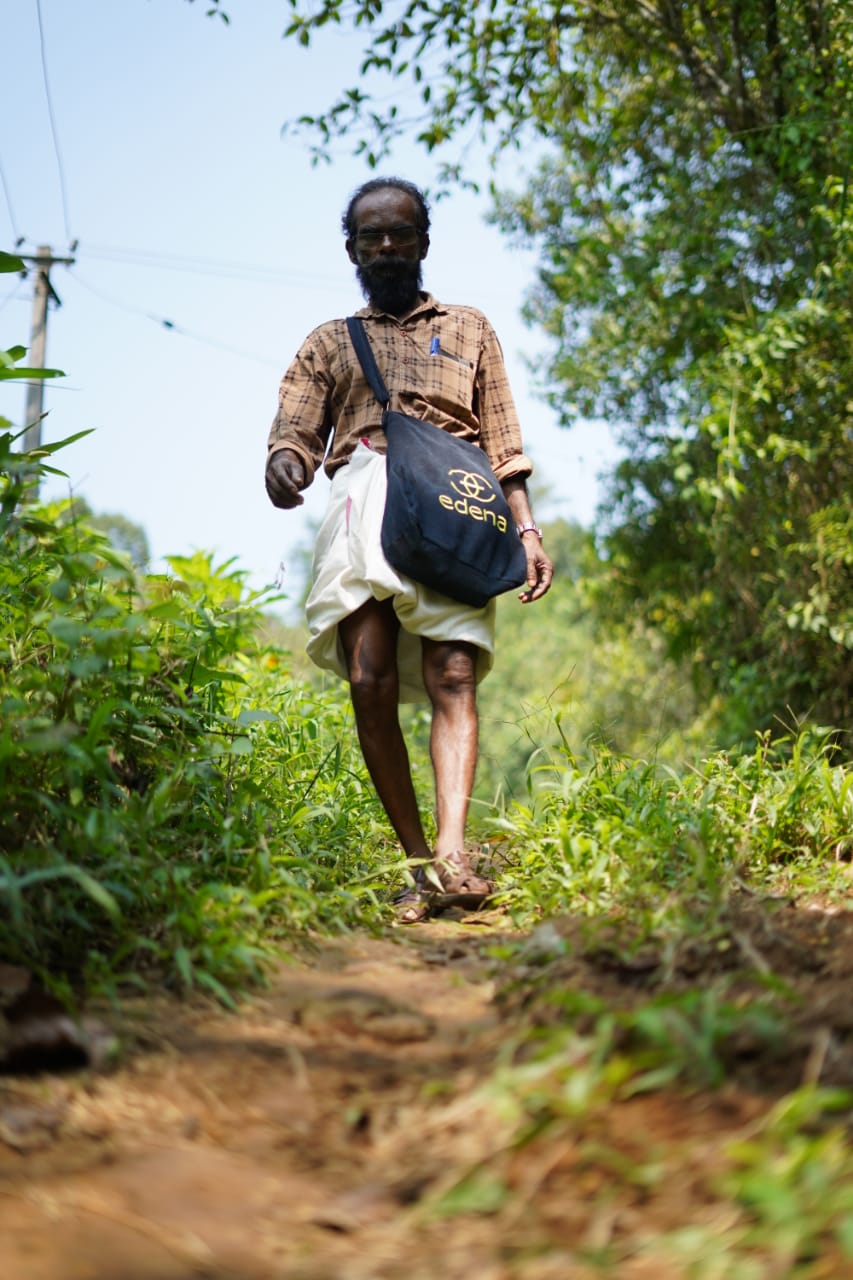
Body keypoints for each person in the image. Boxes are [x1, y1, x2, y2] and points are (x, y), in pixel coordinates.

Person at [265, 177, 553, 922]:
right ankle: (415, 864)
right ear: (352, 249)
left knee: (454, 671)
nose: (387, 246)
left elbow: (504, 441)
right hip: (364, 491)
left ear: (423, 241)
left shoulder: (469, 327)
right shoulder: (328, 342)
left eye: (400, 233)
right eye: (372, 236)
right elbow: (294, 433)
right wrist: (285, 468)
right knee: (369, 677)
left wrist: (526, 527)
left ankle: (454, 853)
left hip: (456, 502)